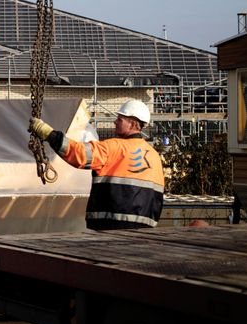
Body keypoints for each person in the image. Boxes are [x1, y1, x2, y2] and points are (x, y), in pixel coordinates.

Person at [30, 99, 164, 230]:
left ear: (133, 124)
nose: (115, 122)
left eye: (120, 119)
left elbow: (79, 154)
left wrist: (48, 134)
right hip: (146, 230)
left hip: (111, 226)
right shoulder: (154, 156)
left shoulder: (113, 147)